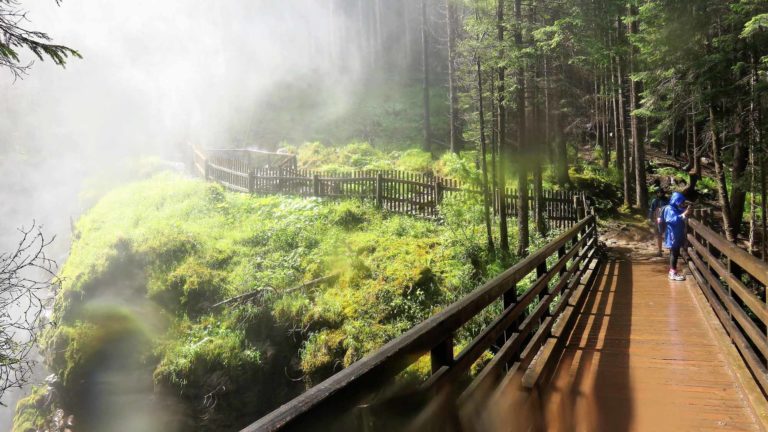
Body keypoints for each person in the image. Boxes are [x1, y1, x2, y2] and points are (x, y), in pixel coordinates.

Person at [662, 192, 690, 281]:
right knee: (674, 253)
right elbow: (674, 219)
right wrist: (684, 214)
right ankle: (673, 273)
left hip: (675, 234)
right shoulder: (669, 208)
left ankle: (672, 272)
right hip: (672, 234)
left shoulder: (674, 208)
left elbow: (679, 212)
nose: (682, 203)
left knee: (675, 252)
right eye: (681, 201)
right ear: (676, 200)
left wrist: (685, 210)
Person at [648, 188, 668, 257]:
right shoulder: (655, 201)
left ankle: (671, 249)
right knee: (659, 234)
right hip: (658, 219)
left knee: (668, 234)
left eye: (661, 192)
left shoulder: (667, 200)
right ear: (657, 193)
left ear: (663, 193)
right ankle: (659, 250)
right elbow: (651, 210)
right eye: (658, 192)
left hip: (667, 219)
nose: (660, 193)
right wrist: (650, 218)